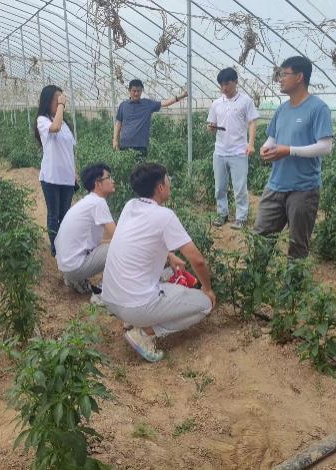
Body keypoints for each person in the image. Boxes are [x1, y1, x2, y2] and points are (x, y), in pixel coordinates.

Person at [102, 164, 216, 362]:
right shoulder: (165, 216)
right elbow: (197, 260)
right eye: (167, 179)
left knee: (165, 275)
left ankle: (133, 321)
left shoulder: (130, 205)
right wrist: (207, 289)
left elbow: (136, 241)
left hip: (111, 299)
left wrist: (169, 255)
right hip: (135, 306)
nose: (170, 183)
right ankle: (145, 332)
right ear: (160, 187)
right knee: (204, 304)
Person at [256, 56, 333, 259]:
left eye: (284, 74)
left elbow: (326, 146)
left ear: (299, 77)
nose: (280, 79)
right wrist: (266, 148)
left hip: (303, 189)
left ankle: (294, 280)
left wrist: (289, 150)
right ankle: (256, 278)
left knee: (298, 246)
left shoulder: (318, 108)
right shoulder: (282, 109)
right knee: (260, 239)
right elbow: (272, 138)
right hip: (275, 185)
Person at [207, 67, 259, 229]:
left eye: (227, 84)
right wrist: (211, 128)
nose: (224, 88)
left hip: (238, 151)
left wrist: (251, 144)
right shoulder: (216, 104)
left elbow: (252, 122)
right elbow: (212, 125)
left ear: (235, 82)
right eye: (221, 85)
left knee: (240, 187)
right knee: (220, 187)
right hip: (220, 152)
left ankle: (241, 217)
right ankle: (222, 214)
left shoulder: (245, 101)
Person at [55, 163, 116, 297]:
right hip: (75, 268)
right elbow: (118, 237)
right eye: (109, 177)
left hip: (66, 265)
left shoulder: (87, 201)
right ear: (98, 184)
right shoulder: (98, 203)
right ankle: (110, 290)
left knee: (109, 245)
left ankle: (76, 281)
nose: (113, 181)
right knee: (119, 248)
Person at [35, 85, 76, 256]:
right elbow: (55, 128)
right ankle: (55, 249)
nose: (60, 102)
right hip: (51, 177)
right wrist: (61, 106)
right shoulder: (43, 120)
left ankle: (64, 246)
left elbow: (69, 151)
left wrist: (74, 173)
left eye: (61, 98)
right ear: (48, 101)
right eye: (56, 99)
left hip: (67, 177)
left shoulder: (64, 123)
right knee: (54, 214)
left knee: (65, 215)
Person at [112, 79, 188, 161]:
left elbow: (164, 103)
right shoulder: (123, 105)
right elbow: (118, 123)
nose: (136, 93)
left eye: (138, 91)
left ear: (141, 91)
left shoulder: (147, 104)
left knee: (141, 168)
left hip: (141, 146)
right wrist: (115, 140)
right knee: (125, 167)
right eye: (134, 91)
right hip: (125, 144)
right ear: (129, 91)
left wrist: (181, 96)